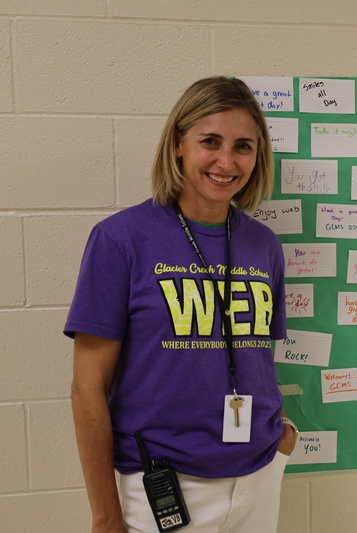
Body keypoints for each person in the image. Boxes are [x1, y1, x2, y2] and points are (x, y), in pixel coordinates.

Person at [67, 76, 296, 533]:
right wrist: (106, 515)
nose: (226, 162)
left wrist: (281, 445)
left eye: (244, 146)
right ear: (178, 145)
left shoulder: (263, 245)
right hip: (164, 488)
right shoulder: (121, 240)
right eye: (210, 141)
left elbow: (256, 359)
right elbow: (86, 388)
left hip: (259, 475)